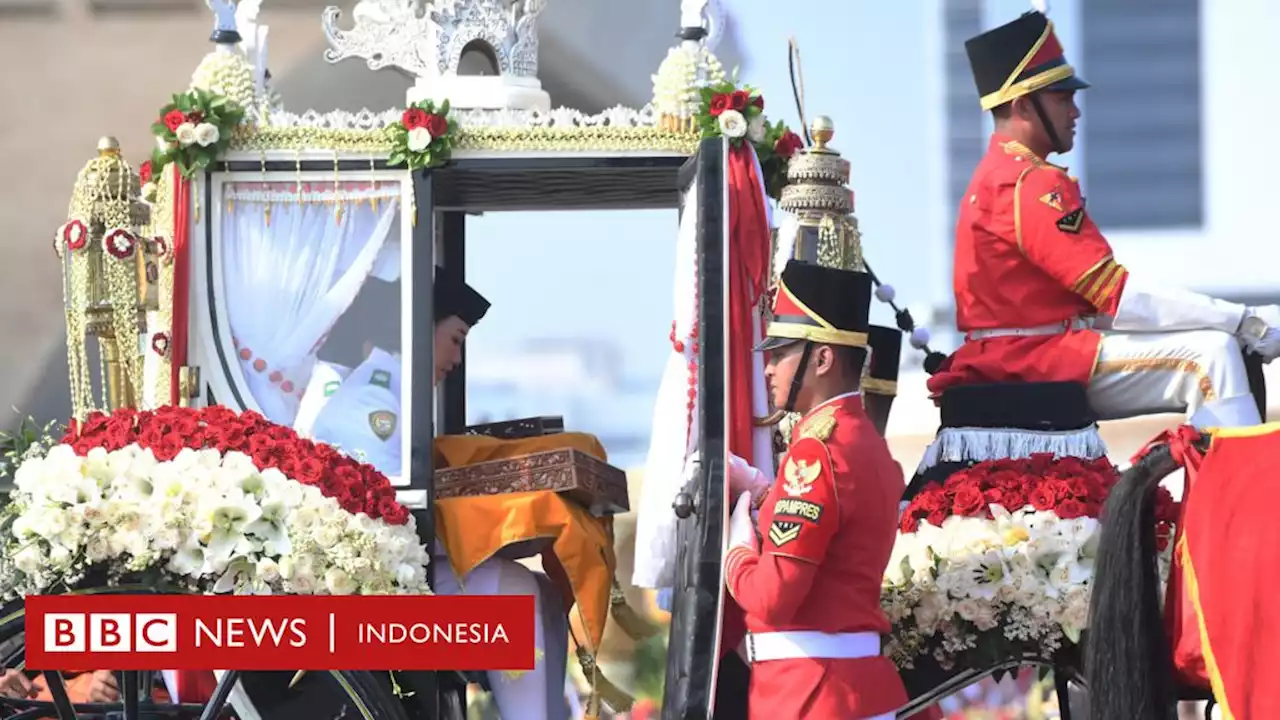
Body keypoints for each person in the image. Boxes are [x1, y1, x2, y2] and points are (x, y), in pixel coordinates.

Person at [928, 10, 1280, 429]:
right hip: (1035, 359)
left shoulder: (997, 176)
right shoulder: (1031, 182)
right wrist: (1244, 320)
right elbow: (1116, 295)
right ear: (1023, 105)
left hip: (1027, 351)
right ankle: (1240, 492)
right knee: (1210, 356)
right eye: (1062, 99)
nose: (1075, 112)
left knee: (1214, 344)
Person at [303, 265, 571, 720]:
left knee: (545, 591)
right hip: (368, 587)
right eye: (456, 340)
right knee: (515, 592)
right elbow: (393, 515)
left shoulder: (396, 397)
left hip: (404, 571)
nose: (456, 359)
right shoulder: (373, 404)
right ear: (420, 332)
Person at [722, 260, 908, 719]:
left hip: (811, 692)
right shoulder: (864, 443)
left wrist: (738, 551)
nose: (768, 369)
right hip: (849, 685)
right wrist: (766, 494)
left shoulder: (815, 453)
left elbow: (771, 598)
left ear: (822, 359)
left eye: (781, 353)